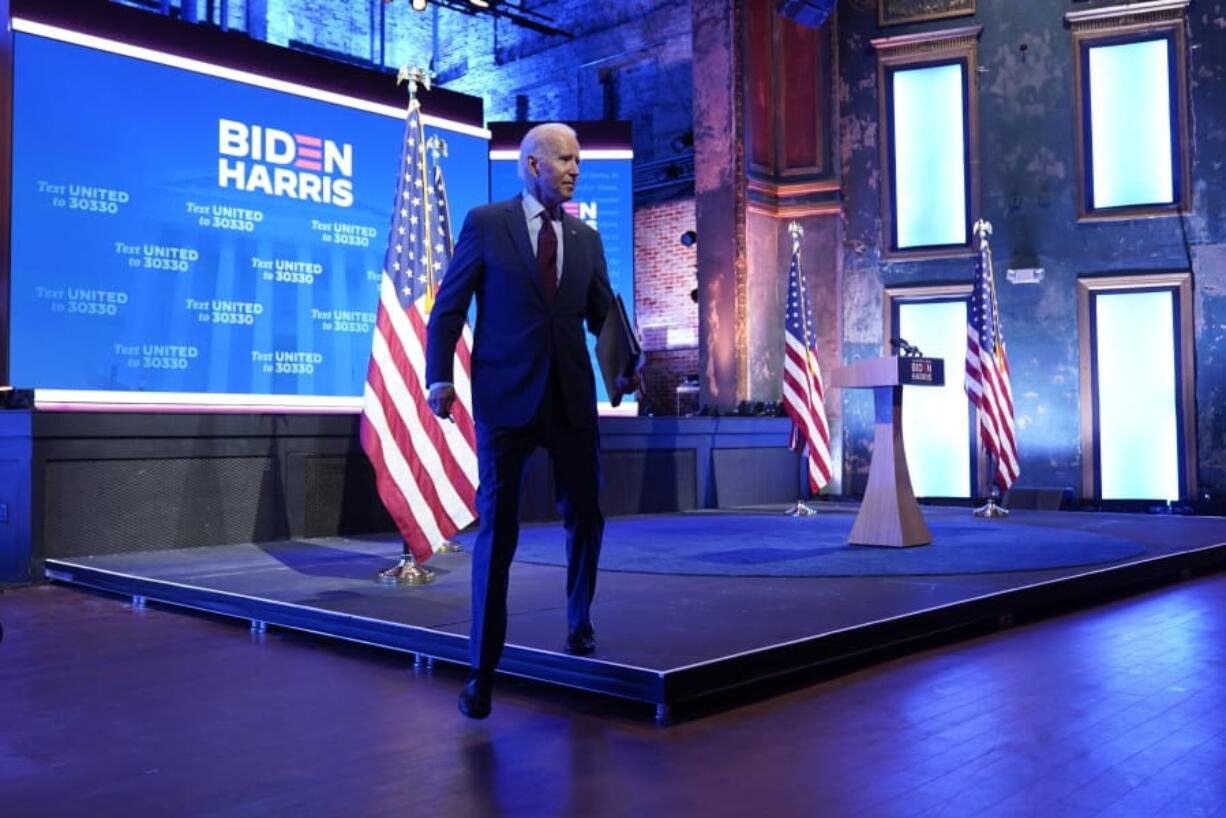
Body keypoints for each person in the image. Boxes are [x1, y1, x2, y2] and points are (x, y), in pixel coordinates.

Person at [425, 122, 637, 719]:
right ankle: (481, 670)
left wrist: (623, 370)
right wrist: (438, 376)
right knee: (498, 532)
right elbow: (449, 308)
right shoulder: (486, 224)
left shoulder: (588, 239)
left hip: (570, 400)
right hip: (505, 399)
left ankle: (579, 622)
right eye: (565, 160)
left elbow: (604, 318)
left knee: (586, 515)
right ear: (532, 165)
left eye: (578, 162)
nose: (575, 169)